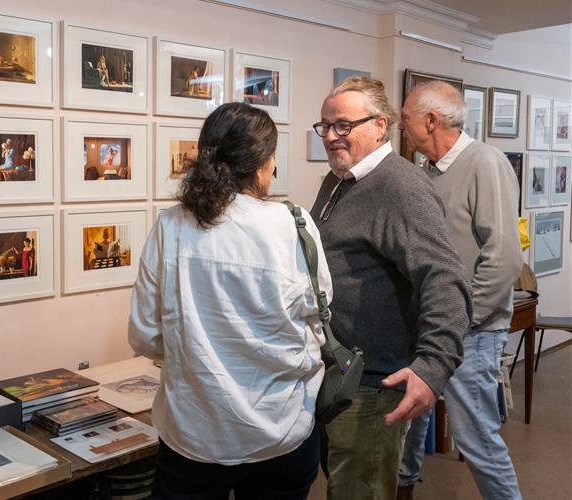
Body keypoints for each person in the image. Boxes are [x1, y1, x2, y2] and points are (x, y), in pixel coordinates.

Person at [129, 101, 330, 498]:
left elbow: (144, 334)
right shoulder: (296, 224)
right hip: (283, 429)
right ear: (262, 164)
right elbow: (318, 322)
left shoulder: (172, 225)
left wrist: (195, 358)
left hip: (196, 432)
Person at [310, 76, 472, 500]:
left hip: (375, 385)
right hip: (339, 374)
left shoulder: (400, 186)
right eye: (325, 126)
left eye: (343, 125)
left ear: (380, 126)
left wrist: (433, 367)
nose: (331, 136)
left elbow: (444, 277)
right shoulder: (340, 179)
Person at [397, 80, 523, 500]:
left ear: (431, 120)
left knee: (478, 441)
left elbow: (504, 257)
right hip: (429, 327)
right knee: (410, 427)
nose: (403, 129)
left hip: (470, 333)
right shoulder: (425, 172)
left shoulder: (484, 161)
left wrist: (457, 324)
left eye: (406, 120)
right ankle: (403, 489)